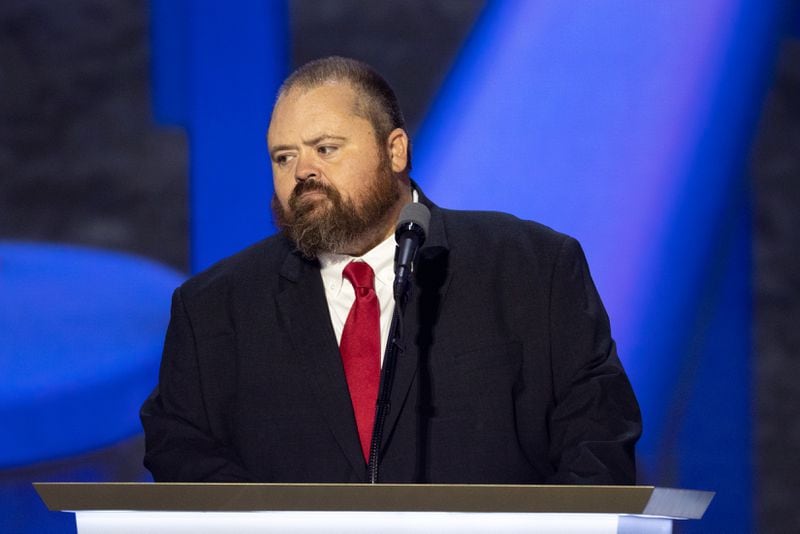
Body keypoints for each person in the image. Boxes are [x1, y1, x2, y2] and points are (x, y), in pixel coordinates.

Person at [140, 56, 641, 484]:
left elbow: (597, 437)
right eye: (283, 156)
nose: (302, 172)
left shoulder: (530, 268)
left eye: (326, 148)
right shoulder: (215, 309)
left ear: (394, 149)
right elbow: (182, 453)